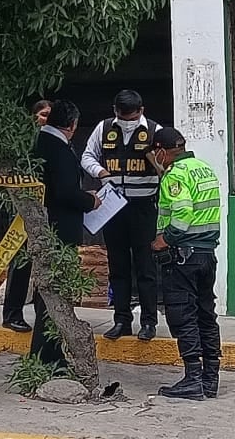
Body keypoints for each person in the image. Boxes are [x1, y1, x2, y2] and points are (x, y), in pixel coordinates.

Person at [147, 127, 224, 400]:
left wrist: (163, 240)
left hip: (183, 255)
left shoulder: (175, 175)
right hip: (206, 254)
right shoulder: (204, 168)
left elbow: (181, 213)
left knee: (183, 315)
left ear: (161, 151)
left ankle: (192, 377)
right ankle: (209, 379)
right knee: (206, 314)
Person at [81, 89, 162, 341]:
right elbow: (87, 156)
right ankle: (122, 320)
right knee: (118, 266)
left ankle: (149, 322)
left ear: (141, 110)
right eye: (123, 116)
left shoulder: (154, 130)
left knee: (146, 267)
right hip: (113, 208)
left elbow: (166, 166)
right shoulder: (104, 128)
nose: (127, 121)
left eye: (132, 116)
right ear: (116, 111)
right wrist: (101, 173)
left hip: (144, 207)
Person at [28, 100, 100, 368]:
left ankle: (47, 353)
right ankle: (47, 356)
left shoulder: (40, 143)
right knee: (54, 296)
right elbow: (65, 193)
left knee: (47, 295)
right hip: (60, 229)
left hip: (47, 226)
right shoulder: (57, 148)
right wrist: (89, 200)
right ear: (71, 125)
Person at [2, 100, 53, 333]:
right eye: (43, 115)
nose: (46, 119)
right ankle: (12, 314)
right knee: (21, 264)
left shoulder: (55, 141)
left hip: (51, 209)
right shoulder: (26, 144)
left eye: (50, 115)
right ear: (34, 117)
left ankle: (45, 316)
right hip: (27, 211)